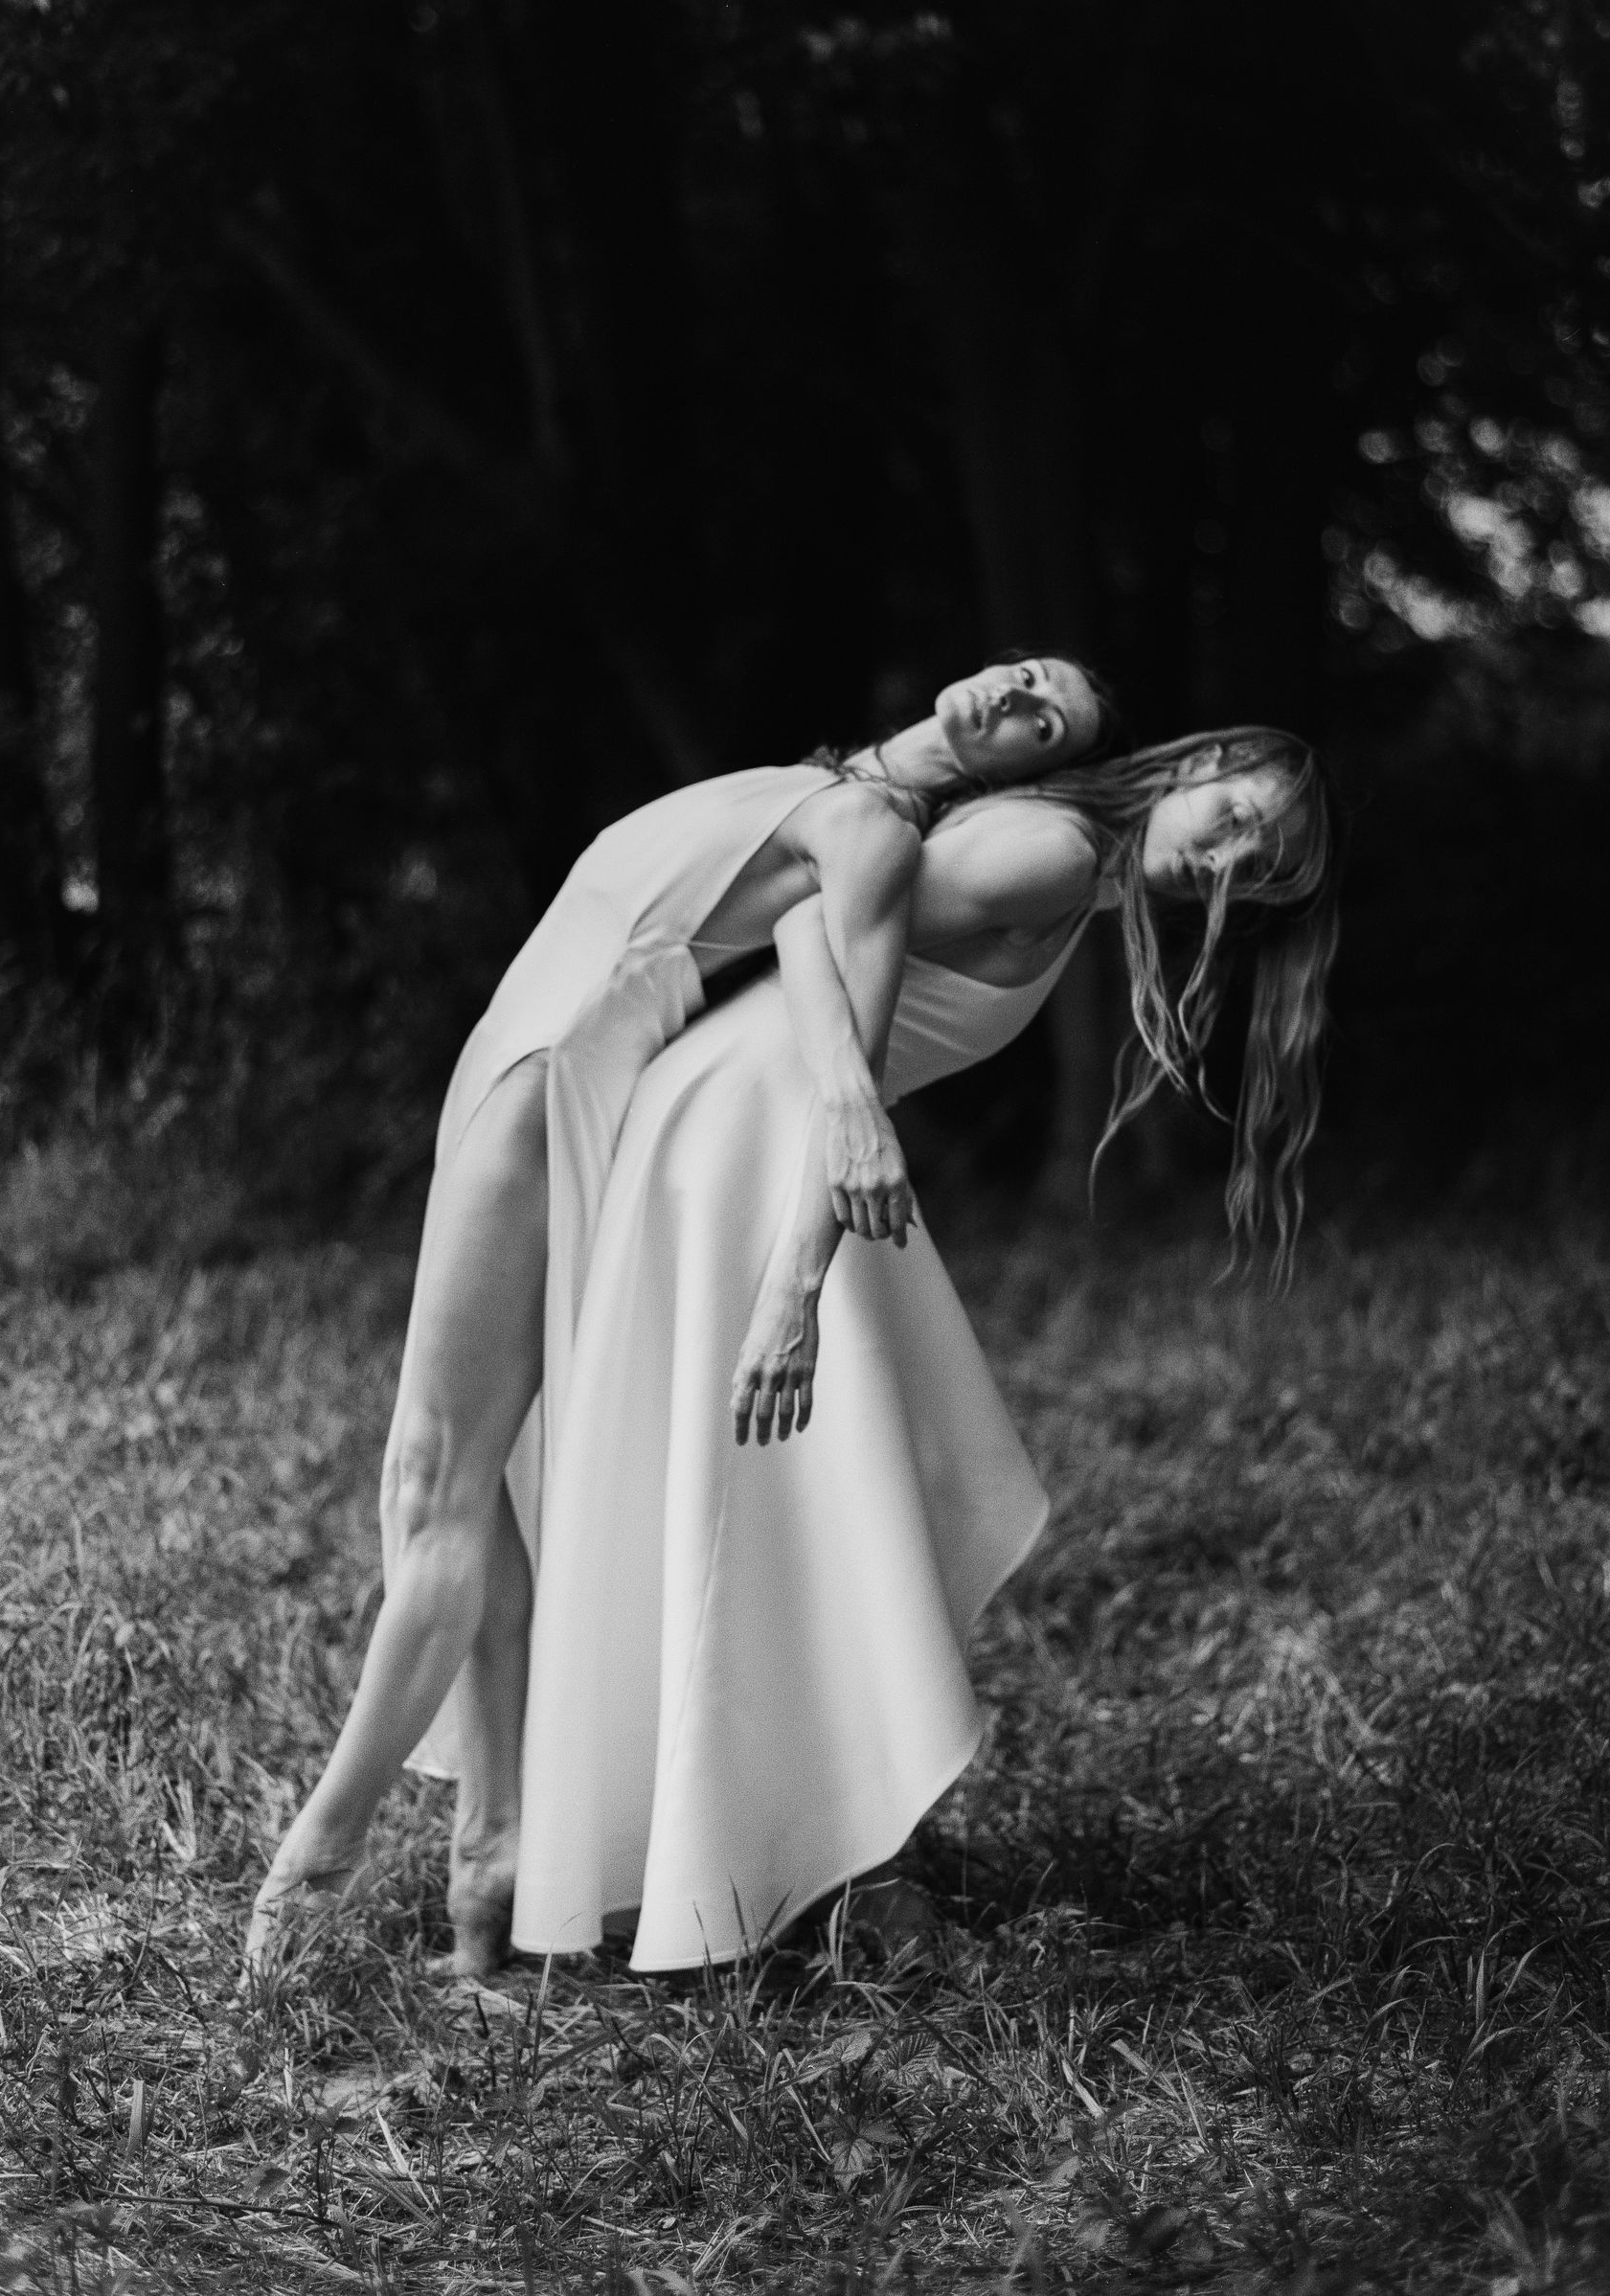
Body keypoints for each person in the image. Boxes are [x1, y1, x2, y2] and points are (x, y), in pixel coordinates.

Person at [242, 655, 1112, 1977]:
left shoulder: (872, 838)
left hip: (543, 1092)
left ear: (1017, 774)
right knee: (483, 1504)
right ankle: (492, 1860)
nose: (1017, 697)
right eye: (1029, 675)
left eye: (1047, 723)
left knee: (430, 1485)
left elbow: (850, 1068)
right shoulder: (824, 789)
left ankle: (318, 1853)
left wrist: (810, 1241)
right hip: (509, 1075)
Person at [485, 725, 1339, 1971]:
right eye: (1240, 814)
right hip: (759, 1132)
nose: (1239, 858)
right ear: (1192, 766)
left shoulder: (1079, 871)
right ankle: (826, 1857)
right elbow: (810, 907)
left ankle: (793, 1844)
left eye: (1268, 865)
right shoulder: (1051, 848)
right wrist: (799, 1267)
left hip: (765, 1124)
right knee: (836, 1482)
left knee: (813, 1493)